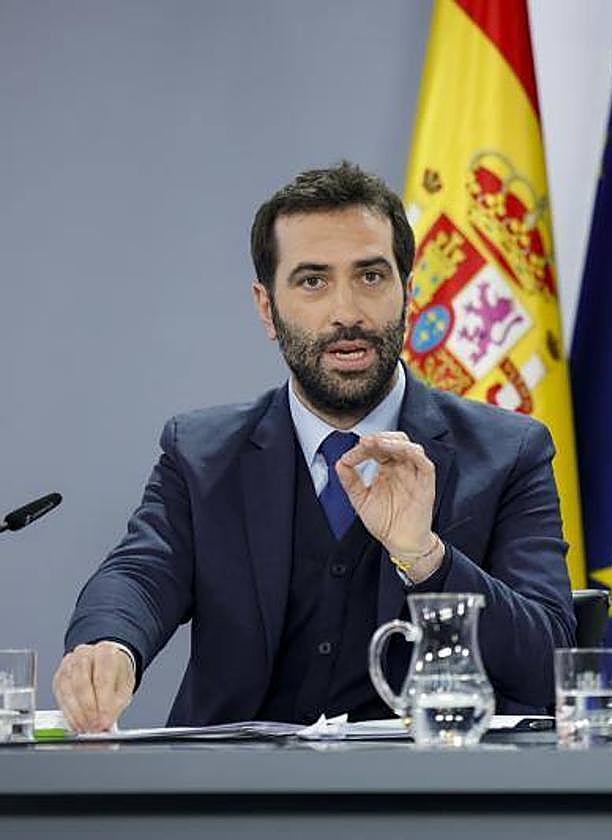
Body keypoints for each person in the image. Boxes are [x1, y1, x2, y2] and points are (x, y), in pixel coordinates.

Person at [54, 162, 575, 732]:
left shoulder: (509, 453)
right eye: (312, 281)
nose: (346, 312)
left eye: (371, 276)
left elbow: (549, 663)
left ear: (410, 289)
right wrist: (109, 645)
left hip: (426, 804)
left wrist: (426, 558)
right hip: (238, 805)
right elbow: (141, 573)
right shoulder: (201, 455)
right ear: (265, 307)